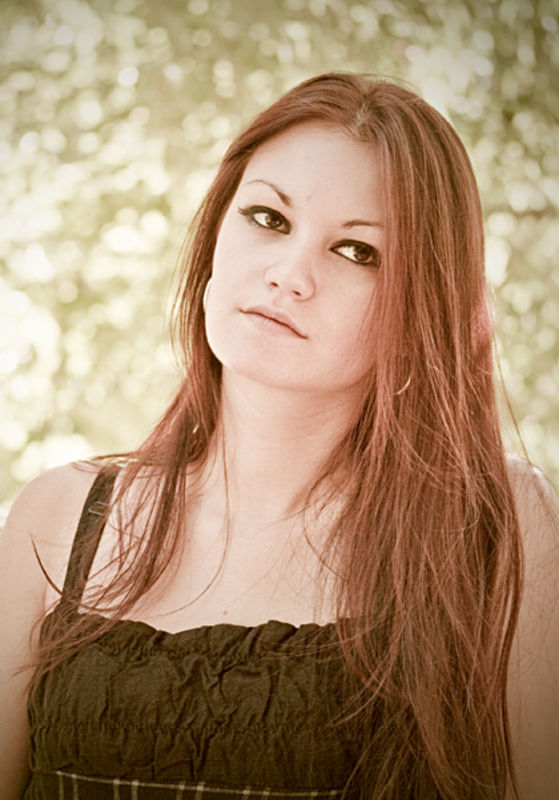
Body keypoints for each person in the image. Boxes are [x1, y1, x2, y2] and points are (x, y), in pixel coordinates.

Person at [1, 72, 558, 800]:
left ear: (421, 302)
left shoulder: (494, 524)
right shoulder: (56, 518)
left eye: (357, 252)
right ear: (215, 232)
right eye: (267, 218)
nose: (289, 275)